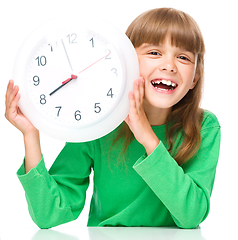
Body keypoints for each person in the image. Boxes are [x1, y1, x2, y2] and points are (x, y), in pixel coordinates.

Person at [5, 8, 221, 229]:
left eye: (183, 57)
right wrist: (30, 134)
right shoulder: (99, 121)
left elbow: (191, 215)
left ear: (195, 77)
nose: (169, 66)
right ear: (127, 62)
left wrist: (147, 137)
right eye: (154, 53)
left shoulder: (204, 126)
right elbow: (49, 215)